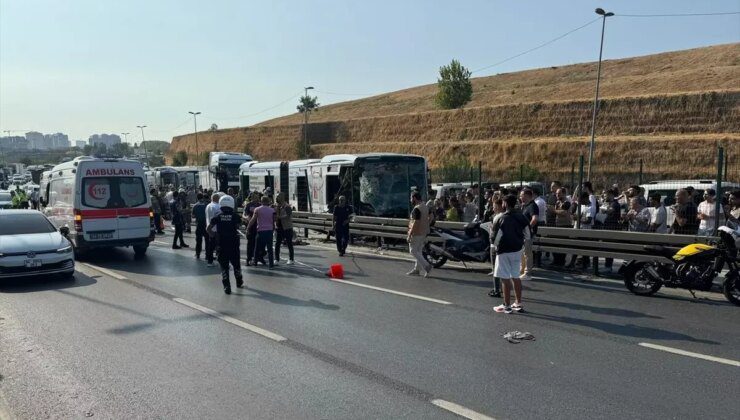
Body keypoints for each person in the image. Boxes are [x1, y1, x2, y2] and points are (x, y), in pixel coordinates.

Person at [492, 194, 530, 314]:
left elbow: (494, 237)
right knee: (516, 276)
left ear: (505, 203)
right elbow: (528, 234)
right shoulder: (522, 217)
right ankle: (518, 303)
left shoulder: (500, 217)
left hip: (503, 250)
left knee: (505, 278)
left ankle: (506, 305)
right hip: (517, 250)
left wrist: (495, 247)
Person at [207, 195, 243, 294]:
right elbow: (240, 225)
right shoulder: (235, 216)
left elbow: (208, 228)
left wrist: (213, 235)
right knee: (236, 264)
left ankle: (227, 286)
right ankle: (239, 281)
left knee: (224, 266)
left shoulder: (217, 216)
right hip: (234, 244)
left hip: (221, 244)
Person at [406, 191, 432, 277]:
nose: (410, 200)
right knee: (419, 251)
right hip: (424, 232)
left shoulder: (417, 209)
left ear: (414, 198)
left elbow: (415, 223)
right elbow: (432, 217)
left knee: (413, 251)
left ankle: (426, 265)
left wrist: (410, 235)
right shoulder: (425, 206)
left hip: (416, 233)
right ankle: (417, 269)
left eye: (411, 198)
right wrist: (426, 224)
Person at [248, 196, 276, 268]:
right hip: (269, 230)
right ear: (268, 201)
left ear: (261, 201)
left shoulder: (257, 209)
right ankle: (271, 265)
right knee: (269, 248)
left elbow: (253, 220)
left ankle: (255, 262)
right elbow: (274, 220)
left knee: (257, 247)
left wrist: (248, 227)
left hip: (260, 230)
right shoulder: (272, 210)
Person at [518, 189, 538, 280]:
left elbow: (534, 219)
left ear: (527, 196)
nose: (520, 197)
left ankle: (527, 272)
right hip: (522, 233)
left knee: (527, 253)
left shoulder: (532, 206)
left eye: (522, 195)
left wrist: (527, 229)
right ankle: (522, 270)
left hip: (528, 234)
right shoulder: (524, 206)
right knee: (522, 252)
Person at [551, 188, 572, 267]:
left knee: (562, 245)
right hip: (558, 225)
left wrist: (554, 210)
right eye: (556, 193)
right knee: (555, 244)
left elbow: (563, 212)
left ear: (563, 193)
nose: (557, 195)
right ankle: (556, 261)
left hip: (565, 226)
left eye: (559, 193)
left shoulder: (567, 202)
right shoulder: (557, 202)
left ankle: (561, 262)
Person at [488, 198, 505, 297]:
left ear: (498, 206)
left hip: (495, 245)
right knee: (503, 269)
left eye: (494, 206)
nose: (493, 208)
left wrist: (490, 228)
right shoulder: (506, 216)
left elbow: (494, 233)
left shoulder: (497, 217)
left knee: (495, 268)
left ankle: (496, 289)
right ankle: (503, 288)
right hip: (504, 245)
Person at [274, 193, 295, 265]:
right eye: (276, 196)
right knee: (277, 243)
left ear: (282, 197)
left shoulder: (287, 206)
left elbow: (288, 215)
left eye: (278, 196)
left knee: (289, 243)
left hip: (287, 227)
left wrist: (280, 217)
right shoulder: (276, 206)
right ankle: (276, 259)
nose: (276, 198)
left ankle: (291, 259)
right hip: (279, 227)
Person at [243, 193, 261, 265]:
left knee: (259, 243)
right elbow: (244, 214)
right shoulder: (248, 205)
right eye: (255, 197)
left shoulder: (260, 205)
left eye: (257, 197)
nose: (256, 198)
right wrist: (246, 217)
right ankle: (249, 259)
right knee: (250, 243)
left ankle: (258, 257)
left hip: (259, 226)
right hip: (250, 226)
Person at [204, 193, 221, 266]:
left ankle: (210, 261)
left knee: (210, 246)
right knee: (220, 246)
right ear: (217, 199)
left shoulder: (208, 206)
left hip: (209, 228)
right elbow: (219, 218)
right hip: (217, 229)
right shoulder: (218, 206)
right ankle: (221, 261)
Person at [192, 193, 209, 259]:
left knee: (198, 240)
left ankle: (198, 254)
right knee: (207, 240)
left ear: (197, 198)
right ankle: (207, 255)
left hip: (199, 224)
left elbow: (193, 216)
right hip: (206, 224)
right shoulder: (207, 205)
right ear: (203, 198)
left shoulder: (195, 205)